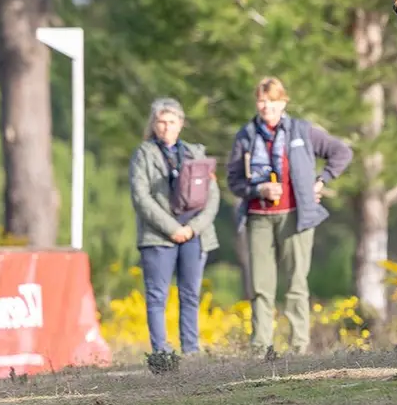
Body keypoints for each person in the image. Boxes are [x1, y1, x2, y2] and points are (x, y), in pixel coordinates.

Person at [226, 77, 353, 358]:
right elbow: (233, 180)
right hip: (258, 217)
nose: (266, 106)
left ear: (283, 101)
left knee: (296, 283)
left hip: (296, 216)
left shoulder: (302, 130)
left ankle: (298, 346)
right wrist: (258, 188)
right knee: (261, 285)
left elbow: (342, 152)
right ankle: (260, 348)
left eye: (272, 100)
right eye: (261, 101)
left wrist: (321, 182)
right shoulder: (246, 135)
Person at [128, 97, 221, 357]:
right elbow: (140, 197)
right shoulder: (143, 154)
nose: (166, 127)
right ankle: (162, 353)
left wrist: (193, 228)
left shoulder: (195, 153)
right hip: (158, 235)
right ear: (154, 124)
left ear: (181, 124)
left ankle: (190, 350)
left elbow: (213, 195)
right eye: (161, 122)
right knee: (157, 297)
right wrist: (171, 228)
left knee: (190, 294)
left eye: (172, 122)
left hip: (195, 233)